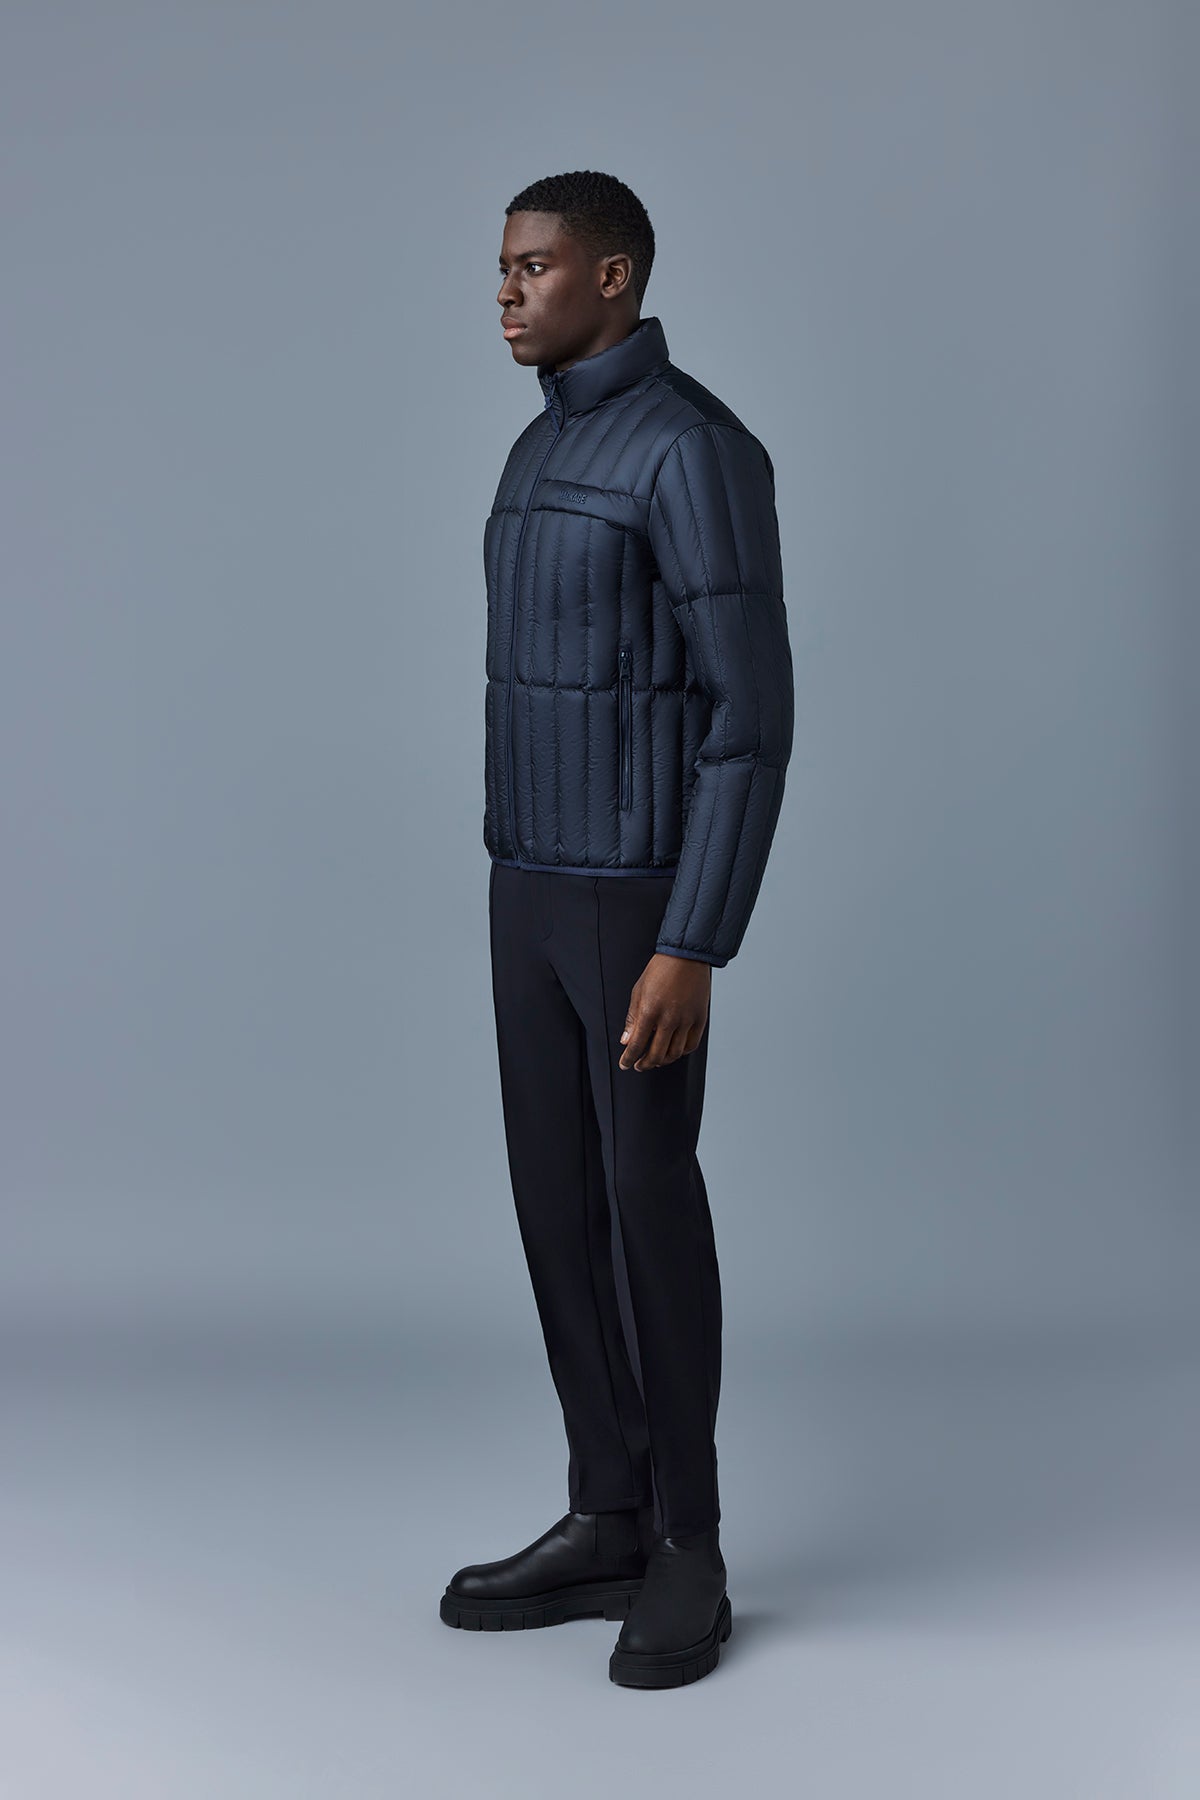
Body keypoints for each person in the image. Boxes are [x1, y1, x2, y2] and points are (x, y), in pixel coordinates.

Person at [439, 169, 795, 1689]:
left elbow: (750, 719)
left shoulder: (695, 450)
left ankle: (689, 1545)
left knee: (646, 1201)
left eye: (533, 267)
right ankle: (606, 1511)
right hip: (528, 887)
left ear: (616, 276)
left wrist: (692, 940)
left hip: (638, 903)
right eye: (502, 268)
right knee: (555, 1203)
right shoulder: (541, 445)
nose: (506, 293)